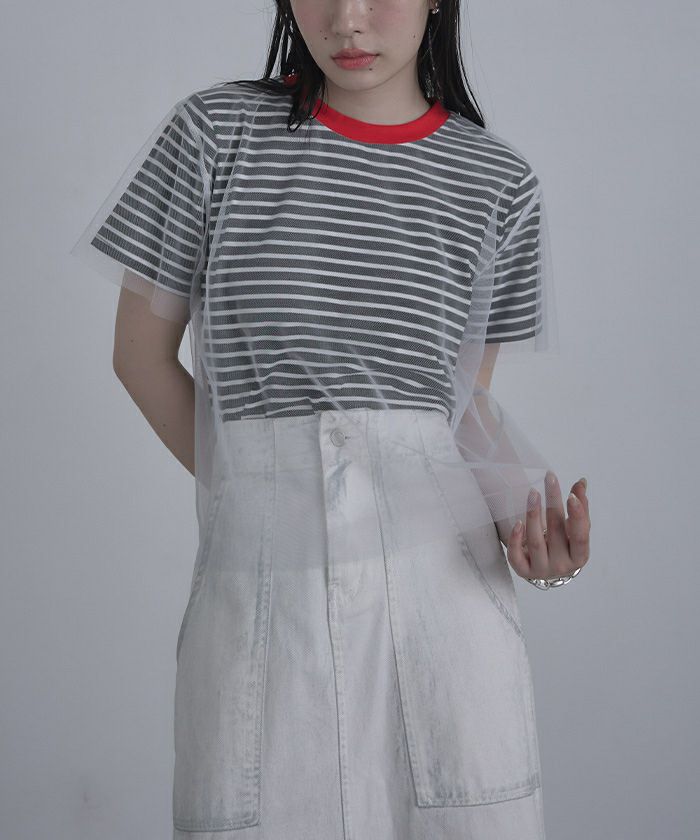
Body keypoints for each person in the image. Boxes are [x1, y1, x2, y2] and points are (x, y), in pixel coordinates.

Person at [70, 2, 591, 838]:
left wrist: (527, 529)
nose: (348, 20)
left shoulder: (495, 179)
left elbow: (461, 407)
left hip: (444, 600)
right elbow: (139, 358)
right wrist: (265, 494)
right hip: (263, 590)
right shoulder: (216, 135)